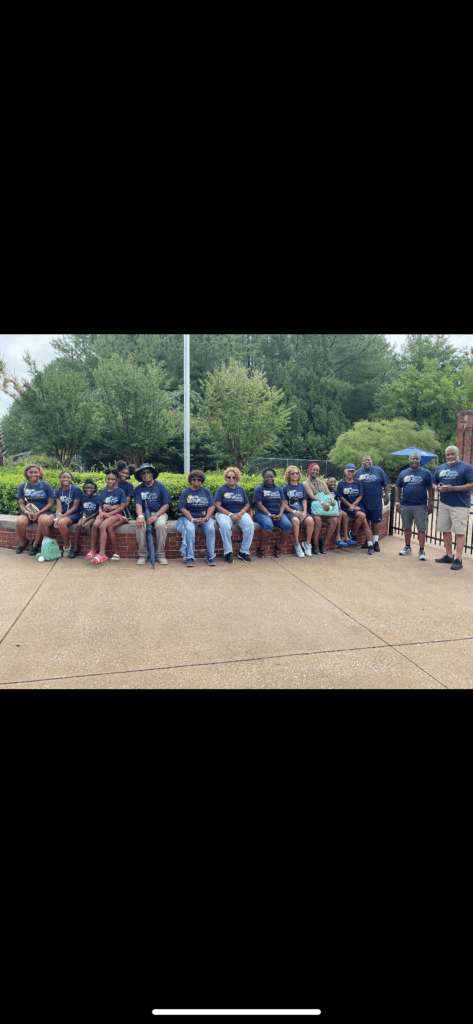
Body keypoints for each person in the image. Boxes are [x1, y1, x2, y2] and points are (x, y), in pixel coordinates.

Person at [433, 445, 473, 571]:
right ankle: (449, 555)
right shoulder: (441, 468)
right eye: (448, 455)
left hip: (460, 505)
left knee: (459, 532)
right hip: (444, 504)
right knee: (445, 530)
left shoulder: (466, 467)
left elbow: (471, 485)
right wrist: (437, 488)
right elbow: (434, 482)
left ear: (457, 454)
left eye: (452, 454)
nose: (450, 456)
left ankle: (459, 559)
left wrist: (453, 488)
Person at [394, 452, 434, 561]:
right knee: (406, 527)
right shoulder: (403, 473)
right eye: (412, 459)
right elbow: (397, 488)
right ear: (409, 461)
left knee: (421, 528)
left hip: (420, 505)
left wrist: (431, 503)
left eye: (417, 459)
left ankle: (421, 550)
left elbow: (431, 488)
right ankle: (408, 547)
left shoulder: (426, 473)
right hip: (406, 505)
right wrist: (397, 503)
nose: (414, 460)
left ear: (419, 460)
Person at [35, 470, 82, 556]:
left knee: (61, 523)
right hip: (62, 513)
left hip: (74, 514)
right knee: (44, 522)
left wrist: (60, 518)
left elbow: (75, 507)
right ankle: (49, 545)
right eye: (63, 477)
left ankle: (67, 546)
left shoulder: (76, 489)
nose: (66, 479)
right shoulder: (58, 490)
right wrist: (57, 518)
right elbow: (59, 507)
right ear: (60, 479)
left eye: (68, 477)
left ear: (71, 479)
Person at [214, 467, 254, 563]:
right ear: (225, 478)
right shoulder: (221, 489)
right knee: (224, 526)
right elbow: (217, 506)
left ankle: (243, 552)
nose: (231, 479)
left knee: (250, 525)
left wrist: (240, 513)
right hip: (224, 513)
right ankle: (228, 552)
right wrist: (230, 514)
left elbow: (247, 505)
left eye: (234, 477)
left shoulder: (241, 489)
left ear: (237, 478)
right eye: (229, 477)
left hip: (239, 512)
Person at [176, 470, 216, 567]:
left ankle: (210, 557)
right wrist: (192, 519)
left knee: (211, 529)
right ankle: (190, 557)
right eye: (194, 479)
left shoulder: (206, 491)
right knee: (189, 530)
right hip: (190, 517)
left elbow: (212, 506)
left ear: (202, 481)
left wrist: (206, 518)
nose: (196, 482)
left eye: (199, 480)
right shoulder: (186, 492)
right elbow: (182, 508)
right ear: (190, 480)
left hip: (204, 517)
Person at [134, 463, 170, 566]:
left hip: (159, 513)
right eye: (143, 473)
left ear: (152, 474)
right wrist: (140, 517)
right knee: (139, 526)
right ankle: (143, 555)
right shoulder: (138, 489)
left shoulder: (160, 486)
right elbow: (138, 504)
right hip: (145, 514)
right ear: (140, 476)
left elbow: (166, 504)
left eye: (148, 472)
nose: (146, 474)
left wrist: (156, 516)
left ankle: (160, 555)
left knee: (161, 526)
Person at [88, 470, 127, 564]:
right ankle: (93, 550)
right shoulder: (103, 492)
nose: (110, 481)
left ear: (116, 480)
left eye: (112, 479)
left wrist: (110, 512)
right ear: (106, 480)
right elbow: (100, 505)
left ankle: (102, 554)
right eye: (108, 479)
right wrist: (101, 512)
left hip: (116, 514)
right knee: (95, 525)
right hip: (104, 513)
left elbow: (122, 506)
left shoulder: (120, 491)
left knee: (102, 526)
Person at [15, 464, 55, 556]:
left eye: (35, 472)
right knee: (19, 523)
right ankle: (23, 542)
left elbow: (50, 503)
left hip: (43, 511)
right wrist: (27, 512)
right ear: (27, 474)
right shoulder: (23, 487)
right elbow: (21, 504)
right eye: (31, 472)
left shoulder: (46, 486)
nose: (33, 474)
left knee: (42, 521)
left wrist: (39, 513)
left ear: (39, 473)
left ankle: (35, 544)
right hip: (28, 512)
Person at [253, 468, 293, 558]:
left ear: (274, 477)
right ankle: (261, 548)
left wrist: (280, 514)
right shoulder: (259, 489)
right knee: (268, 525)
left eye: (271, 476)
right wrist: (269, 515)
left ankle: (279, 546)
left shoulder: (278, 488)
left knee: (288, 525)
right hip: (262, 514)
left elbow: (283, 502)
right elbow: (259, 504)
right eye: (267, 477)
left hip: (277, 513)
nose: (269, 478)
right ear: (263, 478)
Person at [355, 456, 391, 551]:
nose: (367, 461)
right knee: (365, 521)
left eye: (369, 460)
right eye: (365, 460)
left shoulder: (378, 470)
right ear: (361, 462)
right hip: (362, 502)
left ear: (371, 461)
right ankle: (368, 541)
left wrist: (386, 495)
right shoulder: (358, 472)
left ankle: (375, 542)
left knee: (375, 522)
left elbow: (386, 483)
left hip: (376, 501)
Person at [337, 465, 374, 554]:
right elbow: (341, 497)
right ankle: (361, 539)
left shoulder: (358, 482)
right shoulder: (341, 483)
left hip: (357, 505)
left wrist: (354, 504)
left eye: (352, 471)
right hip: (346, 507)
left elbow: (360, 495)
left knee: (364, 521)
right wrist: (350, 505)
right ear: (345, 472)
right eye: (349, 471)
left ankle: (358, 537)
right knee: (363, 516)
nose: (350, 473)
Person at [282, 466, 314, 557]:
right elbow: (284, 505)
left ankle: (307, 544)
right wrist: (295, 512)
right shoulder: (285, 488)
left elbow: (304, 500)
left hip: (301, 510)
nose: (295, 475)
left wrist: (304, 512)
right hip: (290, 512)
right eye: (292, 473)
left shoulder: (302, 486)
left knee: (310, 521)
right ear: (288, 475)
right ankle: (297, 544)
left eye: (297, 473)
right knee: (295, 521)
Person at [303, 462, 332, 553]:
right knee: (318, 520)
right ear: (309, 470)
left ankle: (324, 543)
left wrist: (332, 499)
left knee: (335, 520)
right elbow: (311, 496)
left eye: (317, 470)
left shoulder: (322, 482)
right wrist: (322, 502)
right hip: (313, 507)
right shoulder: (306, 483)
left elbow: (328, 493)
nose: (315, 471)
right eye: (313, 469)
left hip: (324, 508)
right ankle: (315, 544)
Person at [70, 479, 102, 558]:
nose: (89, 489)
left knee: (87, 526)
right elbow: (84, 509)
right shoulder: (83, 497)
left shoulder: (98, 497)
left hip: (94, 516)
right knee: (78, 526)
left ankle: (95, 546)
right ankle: (75, 547)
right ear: (84, 488)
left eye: (91, 488)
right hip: (85, 516)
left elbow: (98, 511)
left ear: (95, 489)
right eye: (87, 488)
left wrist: (87, 519)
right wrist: (84, 517)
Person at [327, 477, 357, 548]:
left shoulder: (335, 492)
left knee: (345, 514)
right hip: (328, 510)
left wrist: (339, 508)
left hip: (335, 509)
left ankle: (346, 537)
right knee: (339, 514)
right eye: (331, 482)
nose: (333, 483)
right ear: (327, 483)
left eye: (334, 482)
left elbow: (337, 502)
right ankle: (337, 537)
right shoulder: (325, 492)